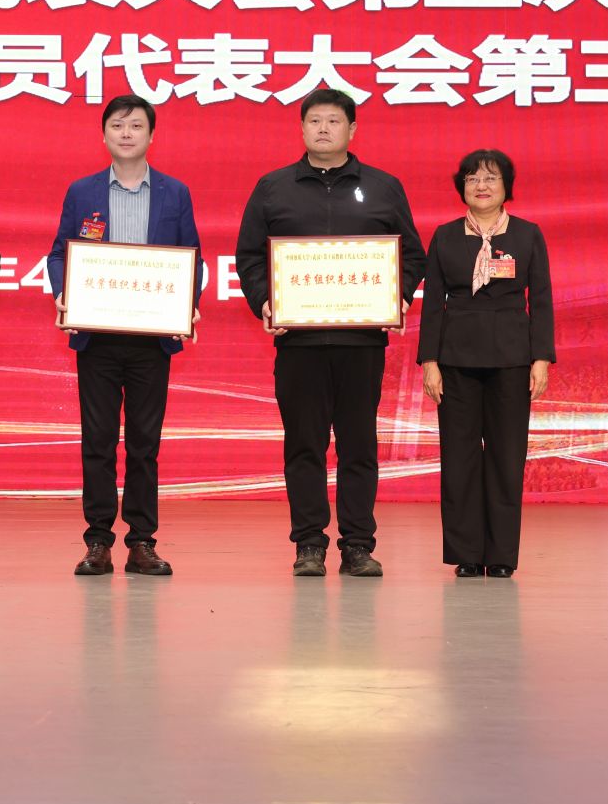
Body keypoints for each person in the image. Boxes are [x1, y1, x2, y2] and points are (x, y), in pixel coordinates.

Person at [234, 88, 427, 577]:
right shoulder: (273, 187)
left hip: (361, 342)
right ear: (302, 129)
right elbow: (250, 256)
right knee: (304, 445)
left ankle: (358, 545)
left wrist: (398, 295)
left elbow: (412, 255)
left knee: (359, 445)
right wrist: (265, 300)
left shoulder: (383, 187)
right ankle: (309, 544)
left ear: (352, 130)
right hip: (298, 342)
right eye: (315, 121)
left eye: (334, 121)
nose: (323, 129)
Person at [46, 95, 202, 577]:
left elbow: (191, 257)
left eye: (136, 125)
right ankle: (97, 540)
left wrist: (187, 302)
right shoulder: (83, 191)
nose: (127, 133)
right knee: (97, 441)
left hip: (152, 340)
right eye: (118, 125)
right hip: (97, 336)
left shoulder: (175, 192)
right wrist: (64, 293)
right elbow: (60, 253)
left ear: (152, 135)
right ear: (104, 134)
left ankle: (142, 541)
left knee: (143, 444)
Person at [418, 149, 554, 579]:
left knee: (506, 458)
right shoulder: (444, 236)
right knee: (459, 458)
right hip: (456, 360)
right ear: (462, 186)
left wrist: (541, 358)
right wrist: (429, 360)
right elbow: (432, 304)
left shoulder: (527, 235)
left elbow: (542, 300)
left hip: (512, 360)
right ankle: (467, 554)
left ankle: (500, 556)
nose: (481, 186)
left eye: (491, 178)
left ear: (506, 187)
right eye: (473, 178)